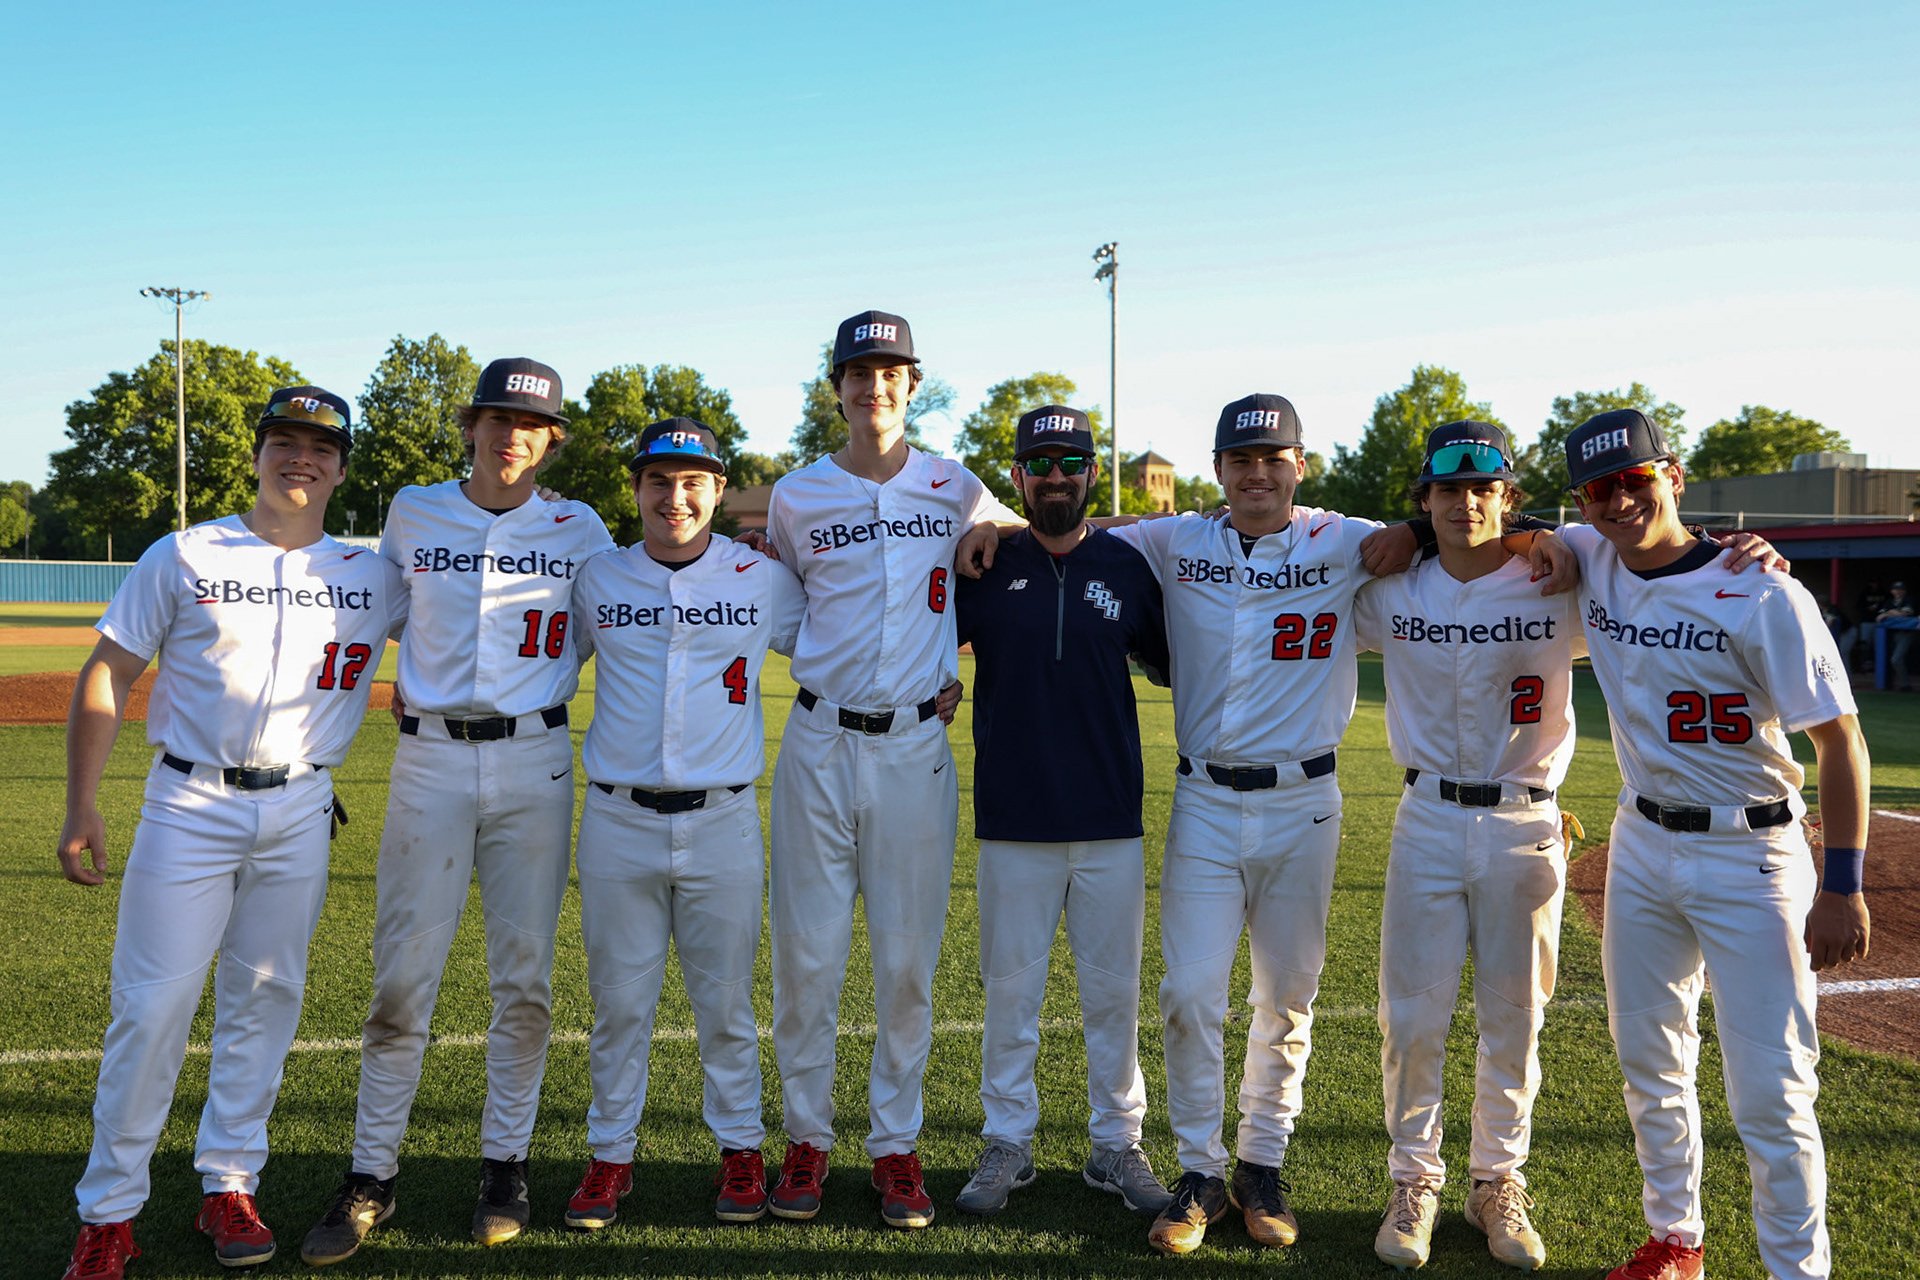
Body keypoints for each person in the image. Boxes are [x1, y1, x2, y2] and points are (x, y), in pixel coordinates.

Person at [57, 389, 404, 1280]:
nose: (301, 458)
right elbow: (109, 670)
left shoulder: (373, 576)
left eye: (320, 446)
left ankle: (230, 1182)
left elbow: (456, 638)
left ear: (342, 467)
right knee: (150, 1009)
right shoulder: (185, 553)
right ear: (256, 455)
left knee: (265, 1002)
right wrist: (81, 804)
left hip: (301, 806)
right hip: (189, 804)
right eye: (284, 441)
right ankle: (109, 1211)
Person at [1541, 408, 1871, 1280]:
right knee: (1650, 1061)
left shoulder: (1763, 589)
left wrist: (1843, 885)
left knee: (1773, 1090)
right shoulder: (1592, 555)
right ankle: (1675, 1240)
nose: (1619, 501)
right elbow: (1496, 528)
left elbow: (1841, 742)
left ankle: (1796, 1270)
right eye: (1598, 490)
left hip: (1751, 851)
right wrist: (1472, 532)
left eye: (1634, 480)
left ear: (1673, 476)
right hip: (1641, 841)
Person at [302, 359, 614, 1264]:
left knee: (524, 979)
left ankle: (505, 1164)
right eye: (497, 419)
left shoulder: (582, 527)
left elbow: (619, 624)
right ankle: (372, 1172)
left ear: (551, 441)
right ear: (471, 427)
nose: (512, 436)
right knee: (402, 978)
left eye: (531, 424)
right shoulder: (415, 509)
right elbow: (385, 610)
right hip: (430, 758)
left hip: (535, 759)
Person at [1106, 394, 1391, 1256]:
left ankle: (1261, 1164)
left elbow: (1460, 535)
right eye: (1241, 459)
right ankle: (1199, 1171)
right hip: (1204, 798)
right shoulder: (1177, 539)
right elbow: (1082, 533)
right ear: (1218, 469)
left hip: (1305, 800)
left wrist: (1434, 528)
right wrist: (984, 527)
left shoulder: (1345, 538)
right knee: (1190, 993)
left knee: (1287, 995)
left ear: (1300, 465)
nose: (1257, 473)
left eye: (1273, 458)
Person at [761, 310, 1020, 1229]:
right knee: (807, 957)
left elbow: (1017, 528)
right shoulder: (796, 494)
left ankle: (895, 1146)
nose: (874, 387)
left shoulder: (956, 486)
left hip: (915, 746)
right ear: (836, 388)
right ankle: (806, 1139)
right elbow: (784, 601)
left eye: (890, 373)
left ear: (913, 385)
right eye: (858, 373)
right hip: (819, 741)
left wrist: (990, 528)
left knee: (908, 962)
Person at [560, 418, 805, 1229]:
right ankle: (610, 1156)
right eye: (659, 481)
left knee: (725, 1006)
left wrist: (931, 679)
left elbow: (832, 642)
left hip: (722, 817)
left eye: (693, 481)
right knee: (618, 1006)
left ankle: (741, 1150)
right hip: (618, 818)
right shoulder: (598, 577)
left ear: (718, 489)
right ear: (636, 489)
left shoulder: (761, 576)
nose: (676, 497)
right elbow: (547, 663)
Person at [1351, 423, 1582, 1271]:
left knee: (1515, 1017)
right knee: (1412, 1016)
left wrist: (1738, 545)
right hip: (1427, 815)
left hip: (1526, 818)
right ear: (1425, 500)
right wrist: (1411, 535)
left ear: (1509, 498)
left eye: (1485, 488)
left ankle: (1498, 1181)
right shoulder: (1390, 589)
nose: (1467, 502)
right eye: (1447, 490)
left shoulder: (1561, 576)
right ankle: (1414, 1180)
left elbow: (1648, 549)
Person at [949, 405, 1174, 1219]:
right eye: (1039, 463)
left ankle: (1116, 1144)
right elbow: (924, 646)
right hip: (1014, 819)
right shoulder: (981, 564)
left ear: (1091, 474)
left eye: (1070, 463)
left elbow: (1171, 661)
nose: (1055, 476)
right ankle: (1008, 1141)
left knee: (1114, 998)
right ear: (1016, 476)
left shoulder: (1128, 566)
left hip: (1109, 818)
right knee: (1011, 998)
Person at [1875, 581, 1915, 691]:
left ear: (1904, 591)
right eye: (1896, 589)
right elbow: (1879, 617)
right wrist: (1891, 613)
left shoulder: (1909, 600)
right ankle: (1891, 684)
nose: (1898, 592)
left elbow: (1905, 614)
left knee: (1896, 659)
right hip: (1890, 635)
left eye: (1900, 589)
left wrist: (1889, 613)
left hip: (1906, 633)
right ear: (1892, 591)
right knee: (1888, 659)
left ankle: (1905, 685)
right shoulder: (1889, 601)